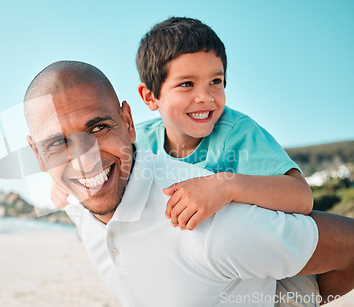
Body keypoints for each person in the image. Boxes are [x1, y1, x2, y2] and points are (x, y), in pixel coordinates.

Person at [24, 60, 354, 307]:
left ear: (127, 121)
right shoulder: (74, 198)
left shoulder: (213, 228)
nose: (85, 161)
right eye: (58, 144)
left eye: (98, 128)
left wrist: (300, 301)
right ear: (38, 156)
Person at [135, 17, 312, 232]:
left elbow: (302, 196)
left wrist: (226, 186)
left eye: (215, 81)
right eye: (186, 84)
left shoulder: (238, 132)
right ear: (150, 96)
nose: (205, 96)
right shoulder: (138, 142)